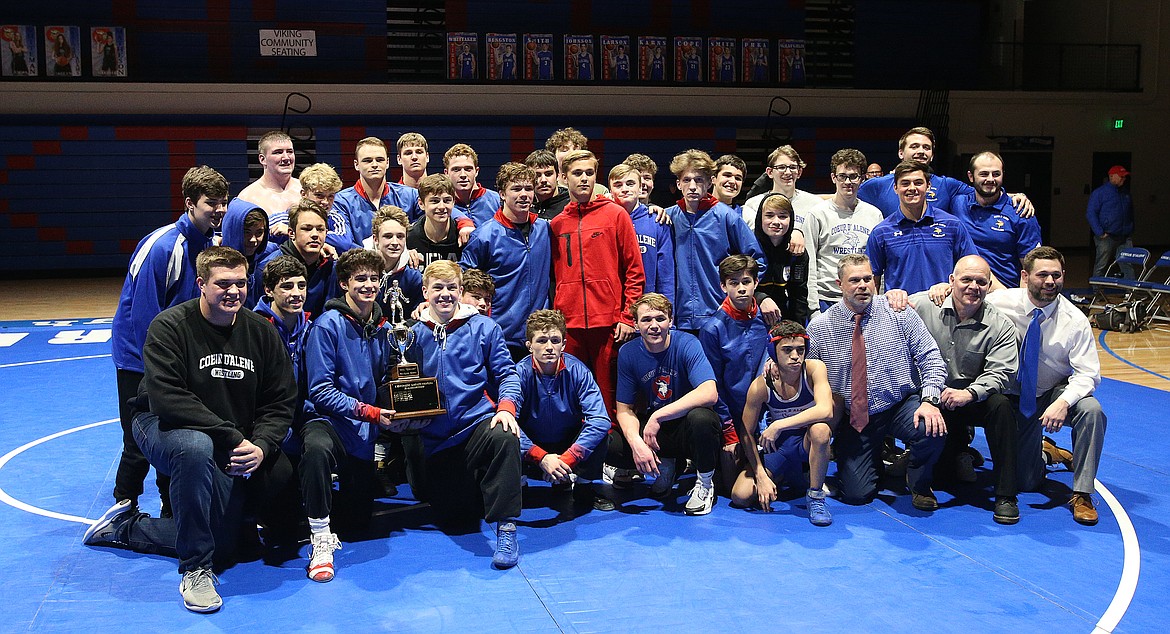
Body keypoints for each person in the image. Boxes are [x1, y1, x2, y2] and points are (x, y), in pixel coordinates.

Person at [85, 247, 298, 613]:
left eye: (240, 283)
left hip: (226, 432)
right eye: (223, 284)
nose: (234, 292)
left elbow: (281, 401)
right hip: (160, 423)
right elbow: (169, 399)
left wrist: (261, 445)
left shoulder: (260, 334)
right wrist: (232, 438)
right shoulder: (170, 326)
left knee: (229, 539)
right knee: (195, 448)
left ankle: (130, 527)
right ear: (201, 284)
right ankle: (196, 569)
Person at [110, 165, 228, 517]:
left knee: (174, 431)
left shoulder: (208, 241)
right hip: (139, 355)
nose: (220, 210)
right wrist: (160, 366)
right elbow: (144, 315)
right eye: (212, 203)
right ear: (190, 203)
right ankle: (122, 506)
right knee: (138, 438)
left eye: (224, 202)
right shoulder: (163, 247)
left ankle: (170, 506)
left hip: (178, 354)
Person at [405, 261, 524, 568]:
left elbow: (507, 374)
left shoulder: (484, 327)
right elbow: (401, 385)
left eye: (451, 288)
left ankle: (506, 528)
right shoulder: (412, 334)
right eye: (438, 288)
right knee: (454, 516)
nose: (445, 295)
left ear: (460, 291)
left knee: (504, 434)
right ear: (425, 292)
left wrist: (507, 406)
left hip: (476, 425)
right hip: (435, 440)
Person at [807, 254, 947, 508]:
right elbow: (804, 374)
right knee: (856, 495)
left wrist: (930, 400)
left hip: (899, 405)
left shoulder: (899, 312)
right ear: (839, 284)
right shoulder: (819, 327)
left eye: (867, 279)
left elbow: (931, 357)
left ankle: (919, 483)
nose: (862, 285)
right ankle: (874, 460)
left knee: (931, 426)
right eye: (854, 280)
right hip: (854, 416)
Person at [300, 249, 404, 582]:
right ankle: (319, 535)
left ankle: (328, 507)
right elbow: (320, 391)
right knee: (315, 450)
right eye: (360, 278)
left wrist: (404, 396)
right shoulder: (326, 325)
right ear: (344, 283)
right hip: (328, 421)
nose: (369, 285)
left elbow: (389, 372)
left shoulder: (382, 324)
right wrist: (369, 411)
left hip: (364, 430)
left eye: (374, 278)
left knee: (359, 523)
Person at [986, 246, 1107, 525]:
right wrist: (941, 288)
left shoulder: (1075, 320)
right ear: (1025, 277)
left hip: (1052, 394)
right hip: (1013, 396)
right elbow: (962, 299)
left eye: (1056, 275)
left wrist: (1063, 402)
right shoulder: (999, 303)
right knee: (1026, 483)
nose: (1050, 282)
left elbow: (1088, 374)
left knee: (1091, 410)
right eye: (1042, 275)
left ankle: (1082, 493)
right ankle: (1046, 451)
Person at [909, 255, 1021, 524]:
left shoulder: (1001, 324)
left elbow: (1002, 372)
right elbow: (884, 311)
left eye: (981, 281)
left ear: (989, 285)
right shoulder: (924, 304)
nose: (973, 286)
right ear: (951, 281)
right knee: (946, 476)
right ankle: (938, 464)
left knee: (1002, 406)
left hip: (971, 398)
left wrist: (970, 393)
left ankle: (1006, 494)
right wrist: (896, 296)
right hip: (930, 396)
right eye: (966, 279)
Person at [607, 293, 722, 515]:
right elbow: (624, 410)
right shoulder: (628, 353)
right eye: (646, 319)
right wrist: (636, 444)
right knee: (609, 444)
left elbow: (710, 393)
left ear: (671, 321)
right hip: (655, 435)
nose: (654, 326)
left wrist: (658, 416)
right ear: (636, 324)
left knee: (703, 419)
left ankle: (705, 483)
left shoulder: (688, 343)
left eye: (660, 318)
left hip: (684, 429)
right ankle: (667, 464)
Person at [549, 150, 645, 417]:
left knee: (610, 398)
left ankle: (610, 455)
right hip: (570, 324)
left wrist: (627, 317)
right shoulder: (557, 224)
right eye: (577, 173)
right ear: (563, 177)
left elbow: (635, 271)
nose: (584, 179)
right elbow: (553, 276)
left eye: (589, 173)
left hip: (609, 323)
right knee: (570, 395)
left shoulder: (615, 215)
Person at [731, 320, 836, 525]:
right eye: (787, 350)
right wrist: (760, 475)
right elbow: (746, 433)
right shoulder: (761, 386)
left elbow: (826, 410)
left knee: (821, 429)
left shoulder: (814, 369)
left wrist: (779, 424)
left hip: (806, 442)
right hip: (779, 448)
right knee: (740, 496)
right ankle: (793, 477)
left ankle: (815, 497)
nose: (795, 356)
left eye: (800, 349)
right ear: (773, 351)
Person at [513, 310, 613, 510]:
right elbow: (508, 420)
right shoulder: (518, 373)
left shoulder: (579, 371)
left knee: (602, 434)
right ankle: (520, 486)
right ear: (529, 346)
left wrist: (568, 458)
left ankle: (584, 488)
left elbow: (600, 419)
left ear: (564, 345)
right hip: (532, 448)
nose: (549, 347)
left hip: (568, 446)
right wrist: (540, 456)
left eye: (555, 340)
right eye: (541, 341)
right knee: (504, 432)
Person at [664, 149, 766, 332]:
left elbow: (757, 262)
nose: (693, 186)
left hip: (719, 314)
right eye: (687, 180)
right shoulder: (667, 217)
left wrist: (733, 297)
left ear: (710, 182)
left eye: (699, 180)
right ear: (678, 184)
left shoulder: (726, 216)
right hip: (678, 317)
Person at [460, 162, 551, 359]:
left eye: (528, 188)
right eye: (516, 189)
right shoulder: (484, 235)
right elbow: (464, 282)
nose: (524, 194)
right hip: (500, 334)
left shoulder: (545, 229)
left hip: (539, 335)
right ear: (502, 193)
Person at [697, 256, 772, 491]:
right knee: (732, 488)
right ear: (723, 286)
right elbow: (713, 384)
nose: (741, 288)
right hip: (731, 416)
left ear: (756, 283)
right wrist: (729, 430)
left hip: (766, 413)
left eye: (746, 281)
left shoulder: (768, 318)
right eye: (733, 283)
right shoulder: (712, 329)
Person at [858, 126, 1033, 219]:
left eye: (926, 148)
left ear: (932, 156)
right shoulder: (877, 185)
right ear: (900, 153)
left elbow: (983, 193)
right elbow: (842, 197)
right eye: (914, 146)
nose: (921, 151)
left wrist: (1016, 196)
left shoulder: (947, 185)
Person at [866, 160, 979, 294]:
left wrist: (951, 286)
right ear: (895, 188)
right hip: (900, 311)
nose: (912, 188)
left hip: (944, 309)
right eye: (905, 183)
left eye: (918, 183)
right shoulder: (881, 232)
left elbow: (972, 270)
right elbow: (873, 281)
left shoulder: (952, 225)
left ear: (928, 186)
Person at [804, 148, 884, 312]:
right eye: (842, 176)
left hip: (864, 299)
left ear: (862, 179)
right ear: (834, 177)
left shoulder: (874, 215)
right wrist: (813, 307)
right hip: (827, 299)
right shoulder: (817, 214)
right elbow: (809, 264)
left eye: (853, 176)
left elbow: (879, 265)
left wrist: (879, 301)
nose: (848, 181)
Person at [948, 152, 1042, 286]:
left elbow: (1031, 268)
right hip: (965, 291)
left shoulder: (1020, 211)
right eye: (984, 174)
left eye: (996, 174)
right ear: (971, 176)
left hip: (1006, 291)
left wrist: (1019, 302)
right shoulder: (957, 203)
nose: (991, 179)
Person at [330, 137, 423, 251]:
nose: (374, 165)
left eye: (379, 160)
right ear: (356, 164)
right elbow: (344, 242)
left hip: (402, 265)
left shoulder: (411, 195)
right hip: (359, 265)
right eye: (367, 160)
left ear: (387, 162)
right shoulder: (341, 201)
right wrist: (374, 257)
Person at [257, 199, 338, 318]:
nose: (315, 234)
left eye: (320, 229)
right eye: (307, 228)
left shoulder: (331, 267)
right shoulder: (267, 267)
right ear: (291, 233)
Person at [609, 163, 674, 304]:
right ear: (610, 190)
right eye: (618, 185)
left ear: (640, 188)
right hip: (613, 306)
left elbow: (666, 274)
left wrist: (669, 310)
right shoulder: (603, 222)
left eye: (630, 184)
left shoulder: (657, 221)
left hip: (648, 307)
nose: (625, 189)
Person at [753, 193, 809, 324]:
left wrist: (797, 330)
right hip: (751, 316)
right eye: (769, 215)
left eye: (783, 216)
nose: (776, 222)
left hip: (782, 318)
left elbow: (799, 296)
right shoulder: (748, 247)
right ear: (760, 218)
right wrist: (760, 298)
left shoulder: (797, 252)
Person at [237, 131, 301, 239]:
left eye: (290, 151)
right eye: (278, 152)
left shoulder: (307, 190)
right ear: (262, 159)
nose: (286, 158)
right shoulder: (247, 198)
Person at [370, 205, 423, 319]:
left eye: (400, 236)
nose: (395, 242)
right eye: (388, 236)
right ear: (376, 239)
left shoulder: (413, 276)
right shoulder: (361, 272)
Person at [220, 200, 274, 309]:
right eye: (246, 232)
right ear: (233, 230)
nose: (253, 240)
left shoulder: (270, 253)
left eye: (259, 233)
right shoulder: (215, 261)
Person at [1087, 165, 1135, 279]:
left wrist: (1130, 228)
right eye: (1121, 176)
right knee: (1101, 264)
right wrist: (1100, 232)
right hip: (1106, 236)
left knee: (1127, 263)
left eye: (1125, 177)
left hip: (1124, 236)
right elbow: (1091, 213)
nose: (1124, 179)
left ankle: (1131, 292)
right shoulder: (1100, 193)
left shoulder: (1125, 193)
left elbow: (1130, 212)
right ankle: (1097, 292)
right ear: (1112, 177)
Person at [408, 173, 463, 266]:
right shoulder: (408, 238)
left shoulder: (463, 238)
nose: (441, 206)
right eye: (435, 201)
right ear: (421, 204)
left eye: (447, 200)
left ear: (453, 202)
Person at [444, 143, 502, 227]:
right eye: (456, 169)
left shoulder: (496, 200)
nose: (463, 175)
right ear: (446, 173)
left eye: (468, 169)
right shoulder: (442, 205)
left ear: (476, 171)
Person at [546, 128, 608, 197]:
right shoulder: (548, 190)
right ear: (553, 155)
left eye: (575, 149)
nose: (571, 153)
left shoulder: (600, 190)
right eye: (564, 150)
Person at [526, 149, 571, 219]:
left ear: (558, 176)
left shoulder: (571, 202)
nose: (543, 180)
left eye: (548, 174)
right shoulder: (525, 204)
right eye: (537, 175)